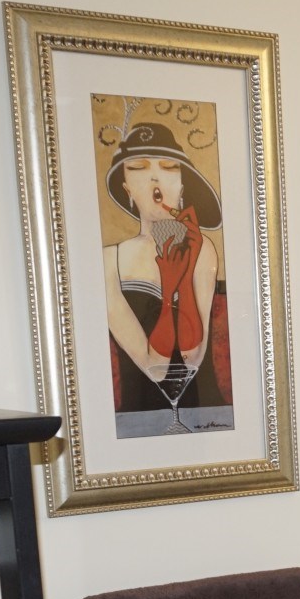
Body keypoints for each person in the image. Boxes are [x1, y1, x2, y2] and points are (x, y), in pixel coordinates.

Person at [101, 120, 232, 433]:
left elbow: (191, 357)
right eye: (138, 167)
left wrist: (182, 281)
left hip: (206, 417)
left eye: (170, 167)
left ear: (182, 186)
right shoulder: (108, 261)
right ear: (126, 188)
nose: (155, 177)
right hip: (137, 422)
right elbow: (156, 370)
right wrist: (170, 281)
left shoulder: (202, 248)